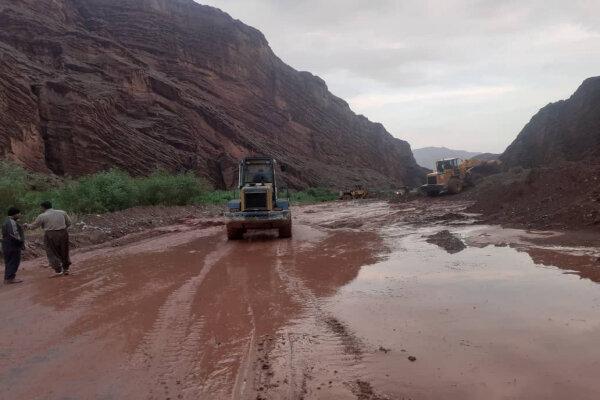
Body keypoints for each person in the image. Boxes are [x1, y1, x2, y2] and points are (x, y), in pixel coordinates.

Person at [28, 201, 72, 276]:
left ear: (43, 207)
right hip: (63, 233)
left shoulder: (42, 216)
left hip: (50, 234)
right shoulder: (62, 212)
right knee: (64, 250)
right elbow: (69, 223)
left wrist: (27, 225)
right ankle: (66, 269)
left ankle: (58, 270)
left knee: (51, 252)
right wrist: (62, 229)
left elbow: (33, 227)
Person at [2, 207, 25, 284]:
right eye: (18, 213)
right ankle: (10, 278)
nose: (19, 215)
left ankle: (8, 278)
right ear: (14, 214)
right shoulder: (11, 222)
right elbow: (14, 234)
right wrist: (21, 242)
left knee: (9, 261)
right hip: (12, 245)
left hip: (7, 244)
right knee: (14, 261)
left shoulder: (6, 221)